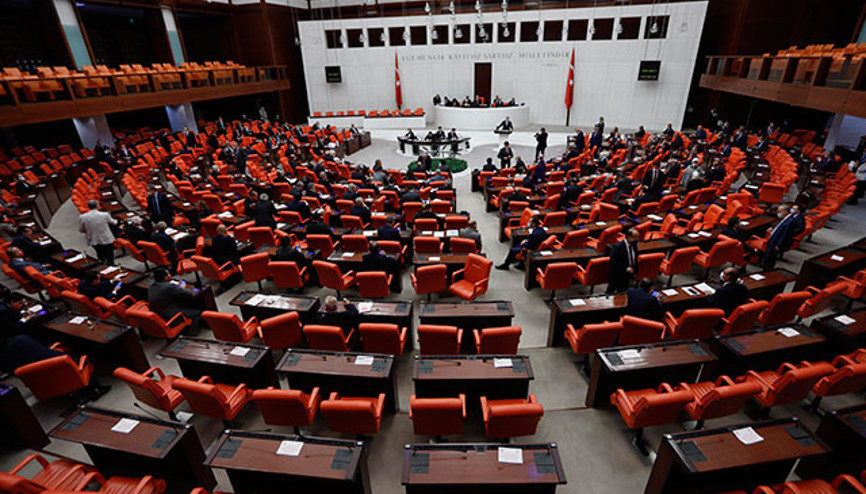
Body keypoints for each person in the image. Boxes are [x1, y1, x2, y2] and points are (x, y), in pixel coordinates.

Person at [762, 204, 805, 270]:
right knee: (768, 257)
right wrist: (773, 229)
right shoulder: (786, 218)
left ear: (786, 212)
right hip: (774, 240)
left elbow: (786, 234)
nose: (778, 213)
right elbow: (780, 228)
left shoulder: (790, 221)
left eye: (780, 211)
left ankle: (766, 271)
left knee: (770, 258)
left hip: (776, 243)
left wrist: (779, 245)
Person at [78, 200, 117, 265]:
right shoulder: (105, 215)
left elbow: (81, 230)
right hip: (106, 238)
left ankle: (103, 266)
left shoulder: (83, 217)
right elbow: (114, 223)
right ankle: (111, 266)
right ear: (97, 206)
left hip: (93, 239)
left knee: (100, 254)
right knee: (109, 255)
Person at [607, 229, 639, 294]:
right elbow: (613, 262)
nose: (636, 240)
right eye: (634, 238)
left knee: (623, 292)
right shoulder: (618, 247)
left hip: (628, 274)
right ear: (629, 237)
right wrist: (625, 268)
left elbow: (634, 258)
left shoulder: (634, 245)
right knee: (610, 292)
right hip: (618, 274)